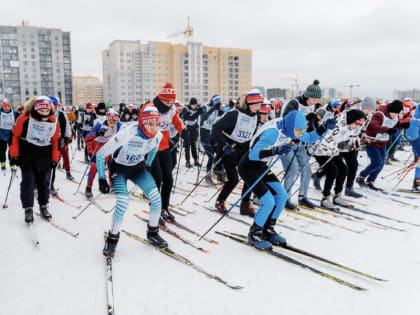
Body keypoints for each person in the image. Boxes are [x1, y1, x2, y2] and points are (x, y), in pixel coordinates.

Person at [239, 110, 325, 249]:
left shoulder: (291, 128)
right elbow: (253, 154)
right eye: (297, 131)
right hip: (248, 166)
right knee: (268, 201)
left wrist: (324, 127)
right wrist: (275, 151)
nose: (299, 134)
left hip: (260, 165)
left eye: (300, 131)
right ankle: (254, 233)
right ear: (291, 127)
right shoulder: (273, 133)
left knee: (282, 196)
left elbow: (309, 138)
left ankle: (268, 229)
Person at [97, 104, 167, 257]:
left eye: (156, 124)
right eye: (150, 123)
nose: (153, 128)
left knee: (156, 198)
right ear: (142, 122)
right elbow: (101, 155)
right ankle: (112, 239)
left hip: (138, 169)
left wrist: (148, 165)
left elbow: (154, 148)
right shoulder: (127, 132)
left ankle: (153, 232)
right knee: (122, 202)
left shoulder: (158, 135)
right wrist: (101, 178)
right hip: (119, 169)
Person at [212, 89, 262, 217]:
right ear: (249, 104)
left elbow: (252, 134)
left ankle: (245, 204)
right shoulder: (234, 114)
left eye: (259, 105)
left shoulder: (255, 116)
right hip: (230, 149)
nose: (258, 108)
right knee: (233, 179)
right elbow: (216, 128)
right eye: (255, 105)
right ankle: (220, 201)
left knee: (249, 176)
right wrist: (224, 145)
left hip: (244, 149)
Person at [10, 96, 60, 223]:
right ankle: (28, 208)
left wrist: (55, 158)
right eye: (41, 110)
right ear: (35, 108)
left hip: (45, 155)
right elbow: (14, 137)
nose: (44, 113)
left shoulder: (53, 122)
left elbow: (55, 142)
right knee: (28, 181)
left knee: (44, 182)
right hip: (27, 154)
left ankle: (43, 206)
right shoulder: (24, 119)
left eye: (46, 110)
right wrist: (14, 154)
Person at [280, 80, 325, 210]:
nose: (316, 102)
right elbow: (286, 121)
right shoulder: (294, 103)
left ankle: (302, 197)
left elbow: (310, 125)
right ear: (308, 95)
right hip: (286, 141)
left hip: (300, 142)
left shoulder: (312, 106)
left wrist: (315, 127)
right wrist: (306, 120)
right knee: (292, 169)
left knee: (307, 168)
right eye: (314, 99)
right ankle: (285, 198)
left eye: (318, 99)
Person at [313, 109, 367, 209]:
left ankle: (337, 196)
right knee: (333, 170)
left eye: (358, 126)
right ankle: (325, 198)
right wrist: (339, 145)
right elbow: (325, 138)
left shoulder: (347, 125)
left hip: (332, 150)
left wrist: (346, 145)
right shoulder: (338, 124)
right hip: (320, 149)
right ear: (351, 119)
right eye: (356, 124)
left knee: (343, 169)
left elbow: (341, 139)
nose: (356, 127)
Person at [151, 82, 188, 223]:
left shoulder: (172, 109)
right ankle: (154, 210)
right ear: (160, 98)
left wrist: (183, 131)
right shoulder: (151, 107)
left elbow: (177, 121)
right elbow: (141, 123)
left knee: (168, 179)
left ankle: (164, 208)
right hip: (151, 149)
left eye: (171, 100)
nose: (169, 103)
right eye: (166, 100)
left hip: (164, 147)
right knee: (157, 180)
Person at [357, 100, 408, 191]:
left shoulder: (394, 117)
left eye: (397, 114)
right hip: (372, 142)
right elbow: (372, 126)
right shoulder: (380, 114)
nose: (395, 116)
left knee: (381, 164)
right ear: (390, 110)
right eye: (394, 113)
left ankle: (370, 181)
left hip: (383, 143)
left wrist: (403, 125)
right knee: (377, 162)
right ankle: (361, 176)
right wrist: (387, 130)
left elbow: (396, 125)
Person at [84, 109, 121, 199]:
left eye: (115, 121)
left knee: (112, 166)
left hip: (106, 146)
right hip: (94, 146)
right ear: (107, 119)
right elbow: (87, 138)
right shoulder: (99, 125)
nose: (112, 123)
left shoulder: (119, 126)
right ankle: (88, 188)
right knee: (94, 167)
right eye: (110, 121)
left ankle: (112, 185)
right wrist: (97, 133)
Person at [49, 96, 74, 197]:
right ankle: (42, 183)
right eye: (53, 106)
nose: (54, 108)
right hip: (48, 142)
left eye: (56, 106)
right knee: (47, 163)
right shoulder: (44, 114)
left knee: (64, 156)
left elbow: (67, 125)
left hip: (60, 139)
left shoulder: (61, 114)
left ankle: (67, 172)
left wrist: (68, 136)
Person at [199, 94, 224, 185]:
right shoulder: (205, 108)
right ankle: (208, 177)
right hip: (203, 133)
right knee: (211, 156)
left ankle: (219, 174)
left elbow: (226, 115)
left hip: (211, 133)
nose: (218, 106)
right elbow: (203, 119)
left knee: (220, 152)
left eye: (219, 104)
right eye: (216, 104)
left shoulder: (217, 110)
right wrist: (212, 109)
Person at [182, 97, 201, 168]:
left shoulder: (198, 110)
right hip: (187, 128)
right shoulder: (186, 109)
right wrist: (195, 114)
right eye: (192, 104)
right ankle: (187, 161)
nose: (194, 106)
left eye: (195, 104)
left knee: (194, 146)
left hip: (194, 129)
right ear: (190, 104)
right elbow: (188, 118)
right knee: (187, 146)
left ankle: (195, 160)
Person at [0, 100, 18, 172]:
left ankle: (12, 164)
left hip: (11, 134)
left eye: (8, 106)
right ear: (2, 106)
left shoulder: (15, 113)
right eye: (5, 106)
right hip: (1, 134)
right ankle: (3, 164)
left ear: (10, 106)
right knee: (2, 150)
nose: (6, 107)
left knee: (11, 150)